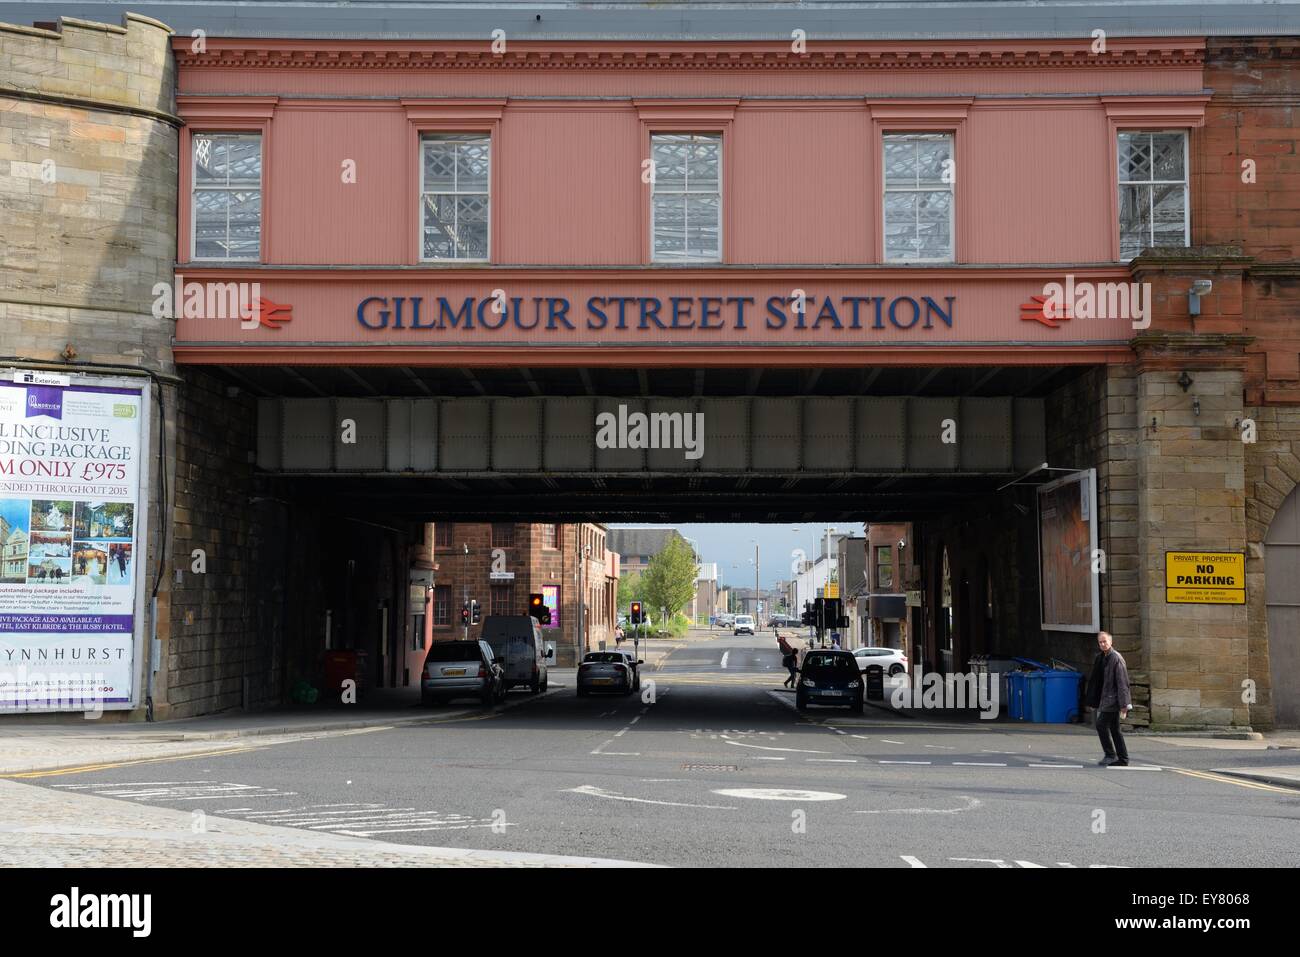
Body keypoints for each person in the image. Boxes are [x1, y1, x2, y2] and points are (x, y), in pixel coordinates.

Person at [1087, 631, 1132, 767]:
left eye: (1105, 641)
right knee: (1114, 729)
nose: (1102, 644)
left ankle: (1110, 755)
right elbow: (1096, 681)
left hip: (1113, 700)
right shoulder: (1101, 657)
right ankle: (1123, 758)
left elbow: (1122, 682)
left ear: (1111, 642)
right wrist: (1093, 701)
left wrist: (1124, 704)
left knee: (1101, 725)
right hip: (1106, 698)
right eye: (1100, 642)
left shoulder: (1116, 658)